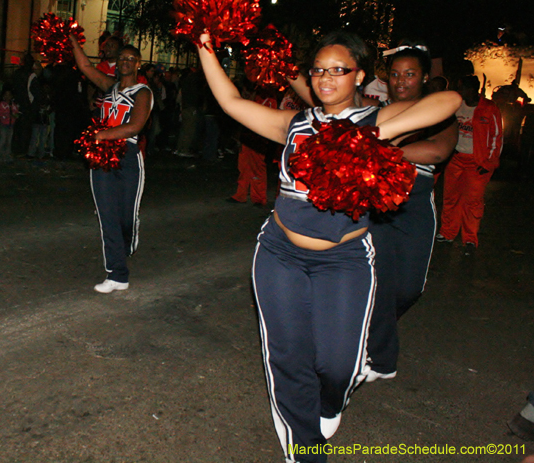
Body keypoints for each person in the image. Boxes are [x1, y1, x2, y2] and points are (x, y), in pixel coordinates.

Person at [197, 29, 461, 462]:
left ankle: (330, 400)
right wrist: (204, 45)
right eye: (318, 70)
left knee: (338, 365)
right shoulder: (294, 123)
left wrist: (363, 140)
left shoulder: (374, 122)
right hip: (280, 252)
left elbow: (446, 104)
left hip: (345, 258)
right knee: (288, 355)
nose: (325, 78)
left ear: (359, 76)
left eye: (338, 70)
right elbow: (230, 102)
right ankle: (304, 450)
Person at [366, 42, 458, 381]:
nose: (401, 80)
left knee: (408, 288)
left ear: (423, 77)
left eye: (410, 74)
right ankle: (370, 346)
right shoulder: (374, 110)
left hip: (415, 205)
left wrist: (387, 151)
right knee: (371, 280)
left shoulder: (439, 114)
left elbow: (437, 152)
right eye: (395, 74)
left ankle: (377, 328)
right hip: (375, 208)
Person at [70, 35, 153, 294]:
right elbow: (85, 67)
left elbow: (136, 126)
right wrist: (72, 39)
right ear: (117, 63)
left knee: (125, 217)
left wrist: (103, 134)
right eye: (122, 59)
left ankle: (128, 237)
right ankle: (117, 274)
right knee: (107, 214)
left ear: (138, 63)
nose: (125, 62)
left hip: (128, 156)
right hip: (101, 156)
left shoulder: (143, 92)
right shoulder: (110, 86)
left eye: (131, 59)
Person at [437, 75, 503, 252]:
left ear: (472, 90)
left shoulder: (489, 109)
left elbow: (496, 137)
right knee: (450, 197)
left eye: (463, 88)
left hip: (477, 161)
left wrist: (488, 163)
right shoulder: (457, 106)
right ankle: (448, 232)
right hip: (456, 158)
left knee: (472, 201)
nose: (460, 92)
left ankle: (470, 238)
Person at [0, 87, 18, 162]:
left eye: (9, 95)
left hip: (11, 124)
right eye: (6, 95)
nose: (7, 97)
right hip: (3, 124)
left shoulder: (13, 105)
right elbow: (1, 114)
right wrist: (9, 115)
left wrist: (14, 115)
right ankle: (1, 155)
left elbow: (16, 113)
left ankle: (7, 155)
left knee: (9, 141)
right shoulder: (1, 104)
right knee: (3, 140)